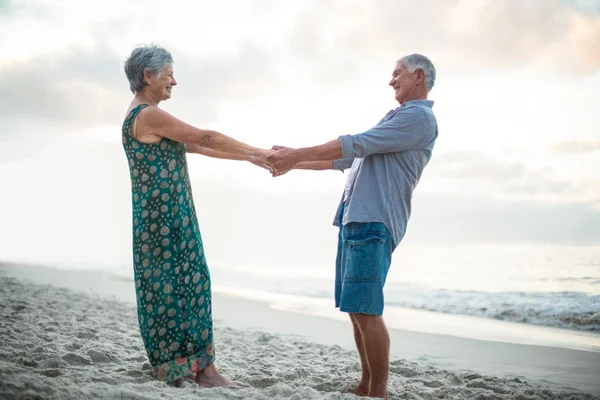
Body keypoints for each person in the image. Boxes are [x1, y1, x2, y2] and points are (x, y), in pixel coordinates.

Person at [268, 54, 438, 400]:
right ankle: (365, 385)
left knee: (366, 309)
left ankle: (378, 393)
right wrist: (293, 162)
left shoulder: (418, 117)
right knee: (355, 309)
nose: (391, 80)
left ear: (418, 76)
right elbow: (345, 159)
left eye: (397, 74)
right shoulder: (397, 117)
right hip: (354, 218)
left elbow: (356, 143)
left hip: (374, 221)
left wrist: (296, 153)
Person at [121, 44, 272, 387]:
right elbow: (204, 135)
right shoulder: (147, 114)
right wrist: (258, 151)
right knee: (192, 284)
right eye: (169, 74)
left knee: (166, 289)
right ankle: (205, 371)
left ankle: (177, 368)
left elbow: (201, 146)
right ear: (148, 76)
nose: (174, 81)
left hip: (161, 216)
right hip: (166, 218)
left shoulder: (143, 115)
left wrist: (250, 159)